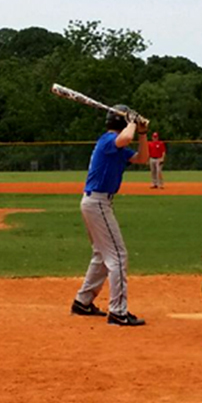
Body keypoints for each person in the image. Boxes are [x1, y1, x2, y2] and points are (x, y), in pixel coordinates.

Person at [71, 105, 150, 326]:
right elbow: (124, 139)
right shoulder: (108, 141)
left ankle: (83, 301)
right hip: (97, 202)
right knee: (117, 256)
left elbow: (143, 158)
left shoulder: (116, 146)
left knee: (101, 255)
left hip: (96, 202)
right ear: (123, 124)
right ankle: (118, 312)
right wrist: (133, 122)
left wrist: (142, 132)